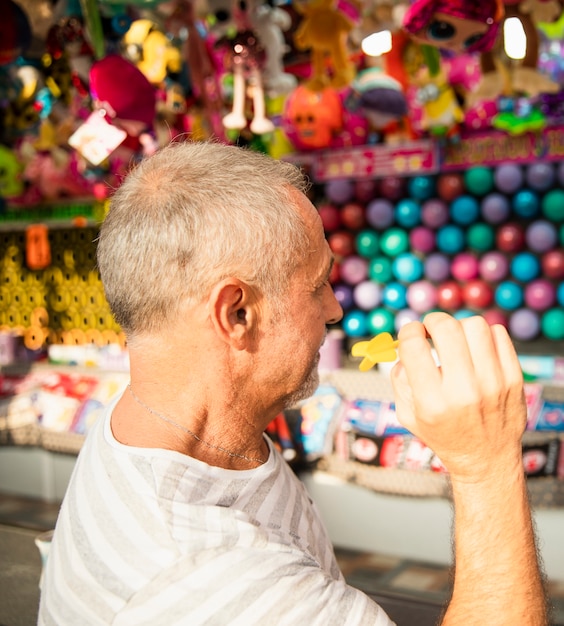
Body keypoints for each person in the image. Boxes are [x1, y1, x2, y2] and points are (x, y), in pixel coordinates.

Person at [38, 140, 548, 625]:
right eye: (318, 284)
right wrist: (486, 466)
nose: (335, 309)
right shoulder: (206, 576)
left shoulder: (159, 416)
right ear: (236, 313)